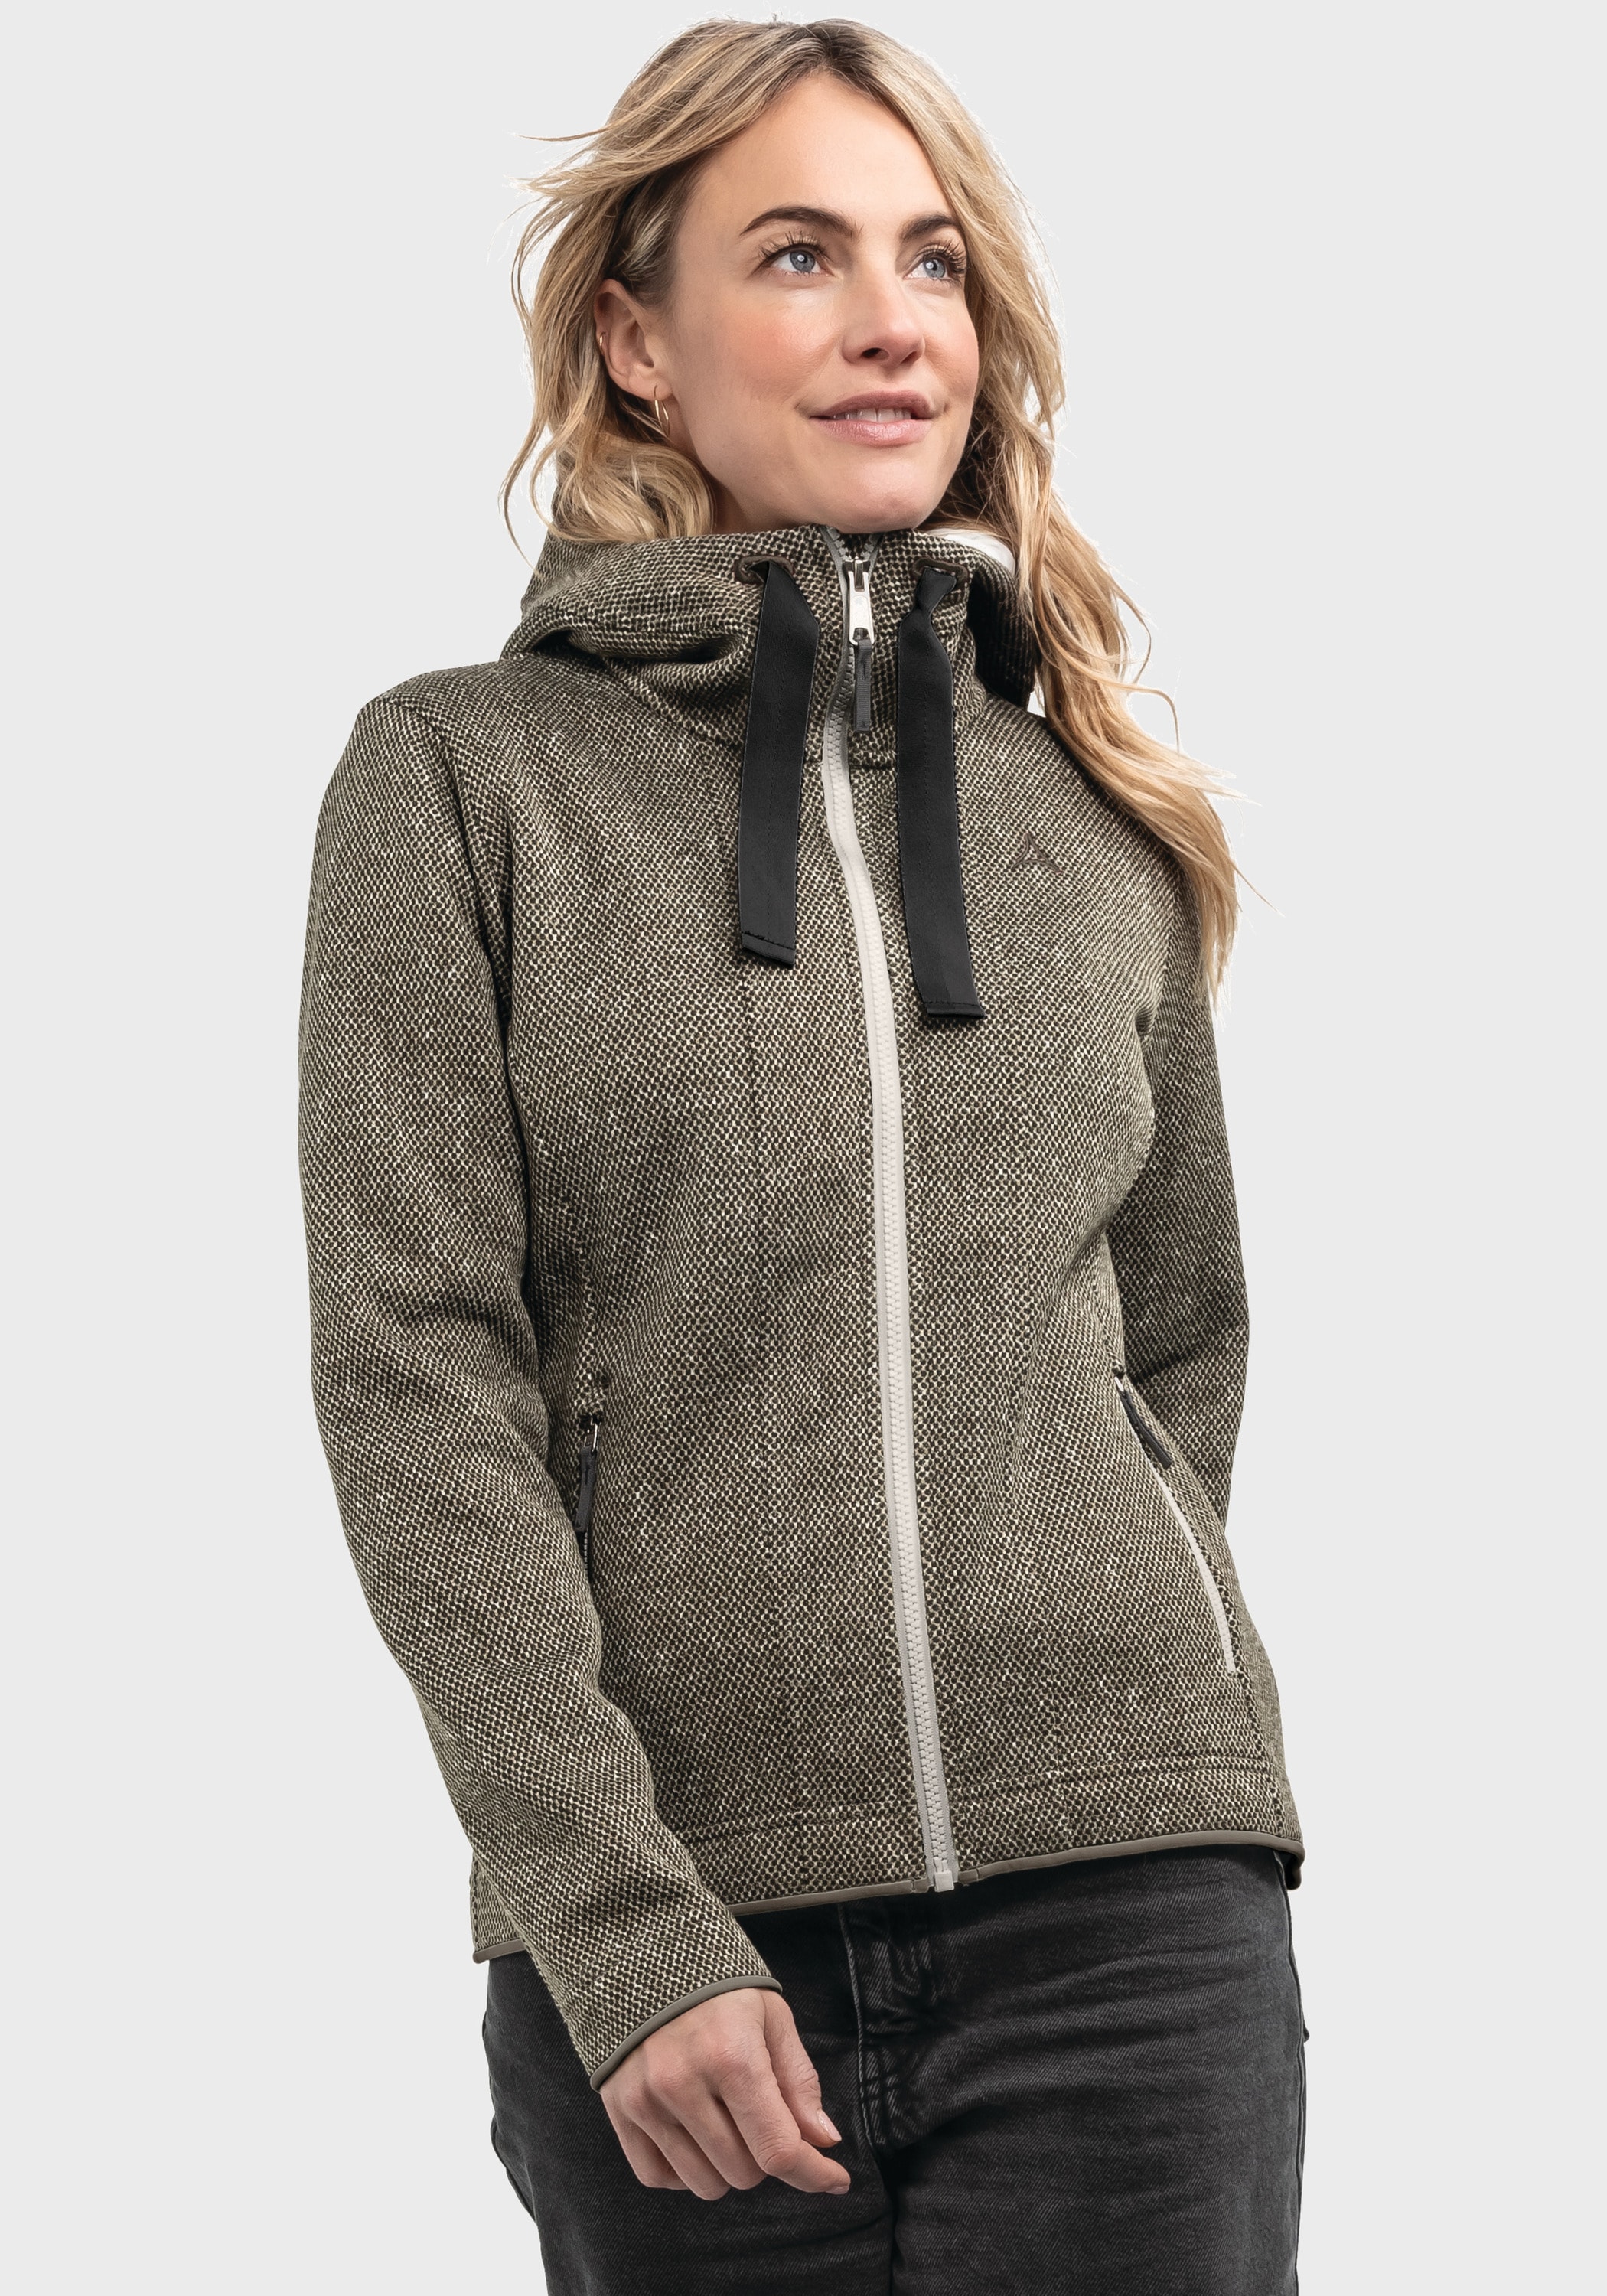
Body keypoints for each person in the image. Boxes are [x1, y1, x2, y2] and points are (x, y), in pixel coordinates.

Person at [298, 18, 1305, 2291]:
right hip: (682, 1945)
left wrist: (1108, 1709)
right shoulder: (461, 784)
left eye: (932, 261)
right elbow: (416, 1381)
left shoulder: (1089, 819)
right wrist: (615, 1920)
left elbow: (1180, 1342)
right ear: (635, 343)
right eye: (797, 255)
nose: (890, 322)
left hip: (1135, 1929)